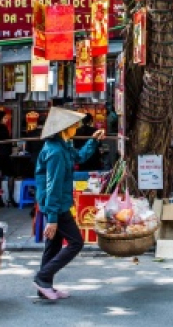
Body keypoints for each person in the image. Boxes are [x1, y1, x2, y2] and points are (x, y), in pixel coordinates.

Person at [33, 107, 105, 300]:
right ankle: (42, 277)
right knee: (76, 242)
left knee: (53, 246)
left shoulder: (63, 145)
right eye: (73, 125)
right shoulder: (55, 152)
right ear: (63, 128)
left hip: (56, 203)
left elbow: (79, 157)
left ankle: (44, 287)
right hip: (56, 204)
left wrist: (93, 141)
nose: (76, 128)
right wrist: (53, 218)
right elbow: (53, 186)